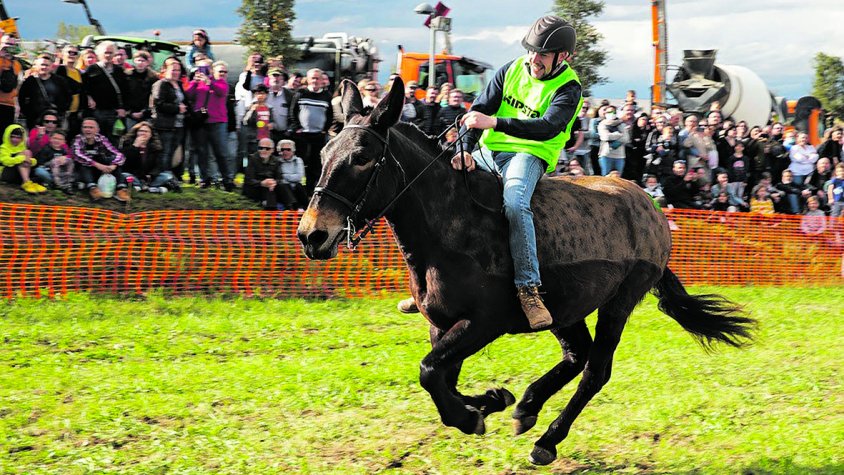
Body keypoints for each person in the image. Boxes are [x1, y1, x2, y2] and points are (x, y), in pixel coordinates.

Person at [416, 15, 583, 329]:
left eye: (543, 54)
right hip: (490, 149)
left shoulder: (570, 88)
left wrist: (495, 124)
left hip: (529, 153)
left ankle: (529, 290)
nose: (534, 58)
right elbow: (479, 109)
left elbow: (548, 127)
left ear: (564, 57)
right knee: (446, 187)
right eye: (532, 51)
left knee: (516, 206)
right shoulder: (511, 69)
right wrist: (465, 149)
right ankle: (435, 279)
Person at [186, 59, 232, 190]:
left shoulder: (221, 83)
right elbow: (188, 95)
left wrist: (210, 82)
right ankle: (204, 178)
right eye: (220, 71)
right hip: (201, 122)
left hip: (217, 122)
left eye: (225, 71)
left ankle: (227, 179)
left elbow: (221, 92)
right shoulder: (199, 83)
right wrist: (195, 81)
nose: (223, 73)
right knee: (202, 152)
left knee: (221, 152)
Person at [288, 68, 331, 196]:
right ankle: (297, 192)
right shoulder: (301, 93)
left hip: (318, 136)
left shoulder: (326, 96)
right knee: (301, 162)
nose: (315, 81)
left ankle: (310, 192)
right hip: (302, 135)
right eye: (313, 78)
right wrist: (297, 127)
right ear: (308, 79)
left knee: (315, 165)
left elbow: (330, 116)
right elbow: (293, 112)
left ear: (321, 80)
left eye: (318, 78)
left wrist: (324, 130)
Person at [71, 118, 129, 201]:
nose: (88, 130)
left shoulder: (101, 139)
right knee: (84, 162)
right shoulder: (78, 139)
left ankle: (121, 189)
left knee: (113, 159)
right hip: (83, 172)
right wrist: (97, 165)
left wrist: (114, 165)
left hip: (99, 170)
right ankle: (93, 189)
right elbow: (78, 155)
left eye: (91, 127)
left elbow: (118, 154)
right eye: (85, 127)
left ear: (97, 129)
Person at [82, 41, 128, 144]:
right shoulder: (92, 69)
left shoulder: (119, 70)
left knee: (114, 140)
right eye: (106, 52)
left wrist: (123, 108)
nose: (108, 55)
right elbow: (84, 88)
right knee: (97, 139)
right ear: (99, 53)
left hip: (114, 112)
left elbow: (125, 91)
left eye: (111, 52)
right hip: (98, 111)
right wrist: (89, 98)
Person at [150, 57, 189, 179]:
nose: (176, 72)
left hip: (179, 124)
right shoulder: (160, 84)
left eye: (178, 70)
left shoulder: (179, 85)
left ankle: (169, 176)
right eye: (173, 70)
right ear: (165, 70)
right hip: (165, 124)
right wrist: (177, 108)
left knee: (173, 152)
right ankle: (161, 177)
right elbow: (158, 104)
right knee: (164, 153)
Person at [119, 121, 175, 192]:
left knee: (168, 175)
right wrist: (135, 146)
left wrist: (151, 175)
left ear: (151, 134)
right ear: (136, 133)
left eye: (146, 131)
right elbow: (126, 163)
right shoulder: (127, 144)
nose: (143, 133)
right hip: (134, 176)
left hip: (150, 178)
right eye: (141, 131)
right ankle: (151, 188)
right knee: (124, 175)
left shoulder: (155, 147)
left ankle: (144, 187)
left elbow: (159, 166)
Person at [18, 53, 71, 129]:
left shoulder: (60, 81)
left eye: (47, 65)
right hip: (35, 120)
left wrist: (62, 111)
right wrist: (27, 113)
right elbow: (21, 98)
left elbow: (68, 97)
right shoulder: (30, 81)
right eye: (42, 64)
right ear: (36, 66)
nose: (44, 67)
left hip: (55, 119)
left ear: (51, 67)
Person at [0, 124, 47, 194]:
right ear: (7, 136)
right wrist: (21, 158)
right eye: (12, 137)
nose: (15, 139)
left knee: (28, 152)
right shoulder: (3, 147)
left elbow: (31, 161)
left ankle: (26, 182)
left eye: (18, 137)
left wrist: (31, 161)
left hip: (18, 174)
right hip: (6, 173)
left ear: (22, 138)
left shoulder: (22, 147)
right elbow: (5, 161)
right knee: (26, 153)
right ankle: (26, 182)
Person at [242, 137, 283, 210]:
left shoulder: (276, 160)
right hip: (254, 188)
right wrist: (262, 183)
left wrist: (273, 183)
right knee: (266, 187)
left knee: (278, 186)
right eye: (261, 148)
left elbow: (279, 178)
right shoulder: (252, 158)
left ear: (272, 150)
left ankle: (291, 207)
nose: (263, 150)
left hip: (270, 189)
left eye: (267, 148)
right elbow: (248, 180)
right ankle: (271, 211)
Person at [123, 50, 158, 131]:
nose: (140, 63)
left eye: (143, 60)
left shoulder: (153, 77)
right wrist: (130, 112)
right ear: (134, 61)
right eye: (138, 60)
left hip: (146, 114)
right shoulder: (127, 75)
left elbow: (154, 96)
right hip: (130, 114)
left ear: (147, 62)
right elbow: (124, 94)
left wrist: (145, 111)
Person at [54, 44, 84, 138]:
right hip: (63, 112)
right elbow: (67, 86)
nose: (72, 55)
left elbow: (81, 90)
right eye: (69, 52)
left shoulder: (78, 71)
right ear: (62, 55)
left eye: (74, 53)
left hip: (75, 113)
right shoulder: (60, 69)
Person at [0, 34, 24, 135]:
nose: (8, 47)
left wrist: (17, 105)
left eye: (11, 45)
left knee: (5, 136)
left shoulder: (16, 64)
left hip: (9, 105)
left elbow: (18, 85)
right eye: (6, 44)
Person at [276, 139, 308, 210]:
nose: (285, 152)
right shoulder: (277, 161)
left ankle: (304, 208)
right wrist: (292, 177)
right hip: (284, 190)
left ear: (293, 151)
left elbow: (300, 177)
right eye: (282, 149)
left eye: (288, 149)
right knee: (283, 186)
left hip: (297, 188)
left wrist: (284, 175)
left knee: (299, 186)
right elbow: (278, 178)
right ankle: (295, 207)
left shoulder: (298, 160)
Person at [597, 105, 629, 176]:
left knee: (618, 178)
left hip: (620, 156)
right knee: (606, 176)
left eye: (613, 111)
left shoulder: (621, 124)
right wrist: (618, 134)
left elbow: (626, 138)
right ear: (605, 114)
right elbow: (605, 137)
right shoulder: (602, 124)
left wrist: (613, 136)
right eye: (609, 112)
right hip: (606, 155)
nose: (611, 113)